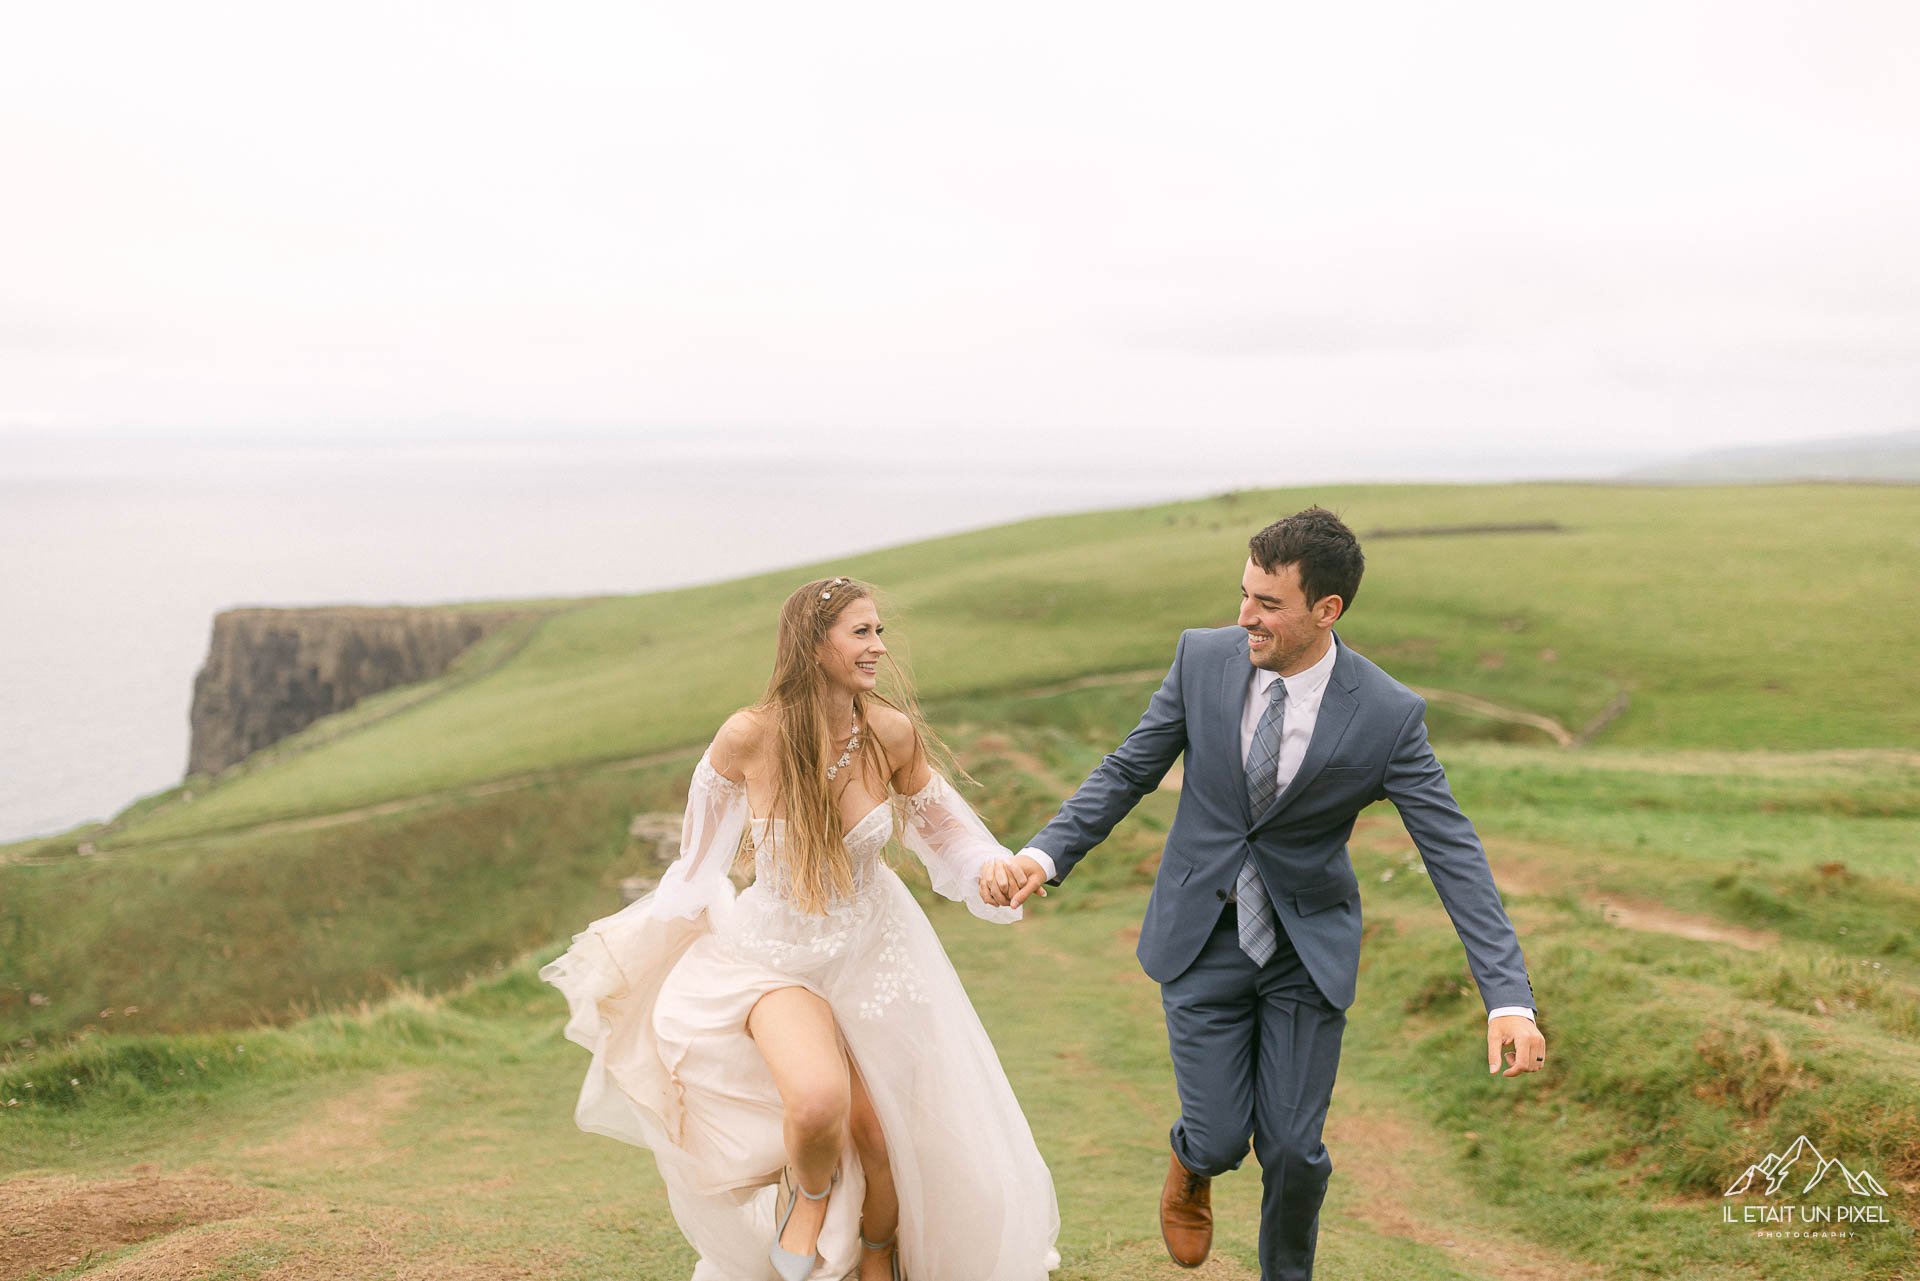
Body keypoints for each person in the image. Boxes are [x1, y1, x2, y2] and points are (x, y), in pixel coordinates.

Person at [983, 507, 1546, 1281]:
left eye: (1268, 603)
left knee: (1291, 1147)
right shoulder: (1201, 658)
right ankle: (1192, 1163)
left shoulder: (1387, 715)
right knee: (1219, 1137)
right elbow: (1128, 769)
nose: (1245, 615)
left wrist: (1507, 996)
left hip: (1302, 952)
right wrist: (1044, 853)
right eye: (1244, 593)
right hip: (1200, 936)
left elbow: (1453, 851)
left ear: (1327, 610)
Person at [540, 576, 1060, 1281]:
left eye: (878, 631)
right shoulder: (749, 735)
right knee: (819, 1104)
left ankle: (878, 1253)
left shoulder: (890, 734)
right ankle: (809, 1199)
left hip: (875, 950)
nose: (877, 646)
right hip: (774, 958)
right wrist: (645, 948)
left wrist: (991, 869)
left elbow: (947, 835)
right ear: (814, 644)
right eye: (861, 632)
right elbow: (696, 863)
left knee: (883, 1138)